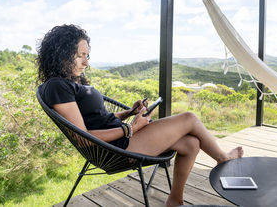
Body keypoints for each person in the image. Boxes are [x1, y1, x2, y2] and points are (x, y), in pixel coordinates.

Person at [36, 24, 243, 207]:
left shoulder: (71, 82)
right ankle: (223, 158)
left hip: (120, 138)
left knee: (190, 144)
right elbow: (83, 137)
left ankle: (174, 201)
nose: (86, 62)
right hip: (116, 149)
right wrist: (132, 128)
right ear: (62, 53)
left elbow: (98, 119)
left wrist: (129, 113)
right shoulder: (57, 86)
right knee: (189, 118)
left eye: (87, 56)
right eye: (80, 55)